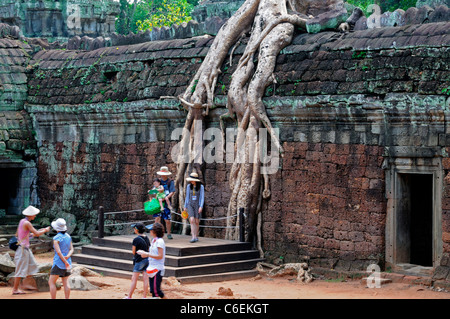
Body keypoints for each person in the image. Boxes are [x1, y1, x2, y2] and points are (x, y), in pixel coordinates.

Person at [12, 205, 51, 295]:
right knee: (20, 269)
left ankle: (26, 284)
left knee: (32, 266)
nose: (35, 216)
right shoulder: (27, 223)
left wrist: (35, 233)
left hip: (24, 248)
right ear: (30, 215)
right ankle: (15, 289)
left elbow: (21, 234)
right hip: (22, 249)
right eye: (34, 215)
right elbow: (37, 234)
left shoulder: (22, 221)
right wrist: (45, 230)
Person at [137, 223, 166, 299]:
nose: (149, 231)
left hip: (158, 269)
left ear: (155, 231)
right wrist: (146, 254)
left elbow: (160, 256)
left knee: (157, 291)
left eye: (151, 230)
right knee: (153, 291)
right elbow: (153, 254)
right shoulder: (154, 240)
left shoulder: (160, 241)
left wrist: (147, 254)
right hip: (152, 267)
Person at [48, 218, 74, 299]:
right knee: (66, 282)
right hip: (68, 263)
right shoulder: (68, 236)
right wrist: (67, 258)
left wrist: (64, 260)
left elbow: (58, 252)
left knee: (51, 282)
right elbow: (71, 249)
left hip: (59, 263)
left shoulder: (56, 238)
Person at [124, 223, 150, 299]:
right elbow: (148, 249)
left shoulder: (136, 239)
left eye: (134, 228)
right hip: (147, 259)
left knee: (134, 279)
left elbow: (133, 251)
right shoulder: (147, 238)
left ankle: (129, 296)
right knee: (145, 279)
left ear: (136, 230)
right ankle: (144, 296)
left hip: (139, 260)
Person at [183, 172, 204, 243]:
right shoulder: (189, 186)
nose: (191, 181)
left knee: (197, 221)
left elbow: (202, 197)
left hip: (197, 205)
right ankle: (193, 237)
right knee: (191, 220)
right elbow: (187, 197)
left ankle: (196, 235)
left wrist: (201, 206)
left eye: (192, 180)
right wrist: (185, 206)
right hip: (190, 204)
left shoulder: (201, 187)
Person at [156, 166, 175, 239]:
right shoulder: (158, 181)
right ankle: (157, 233)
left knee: (167, 219)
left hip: (166, 203)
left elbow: (172, 192)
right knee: (157, 218)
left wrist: (166, 198)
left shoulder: (170, 182)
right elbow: (154, 189)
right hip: (158, 202)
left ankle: (169, 233)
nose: (162, 175)